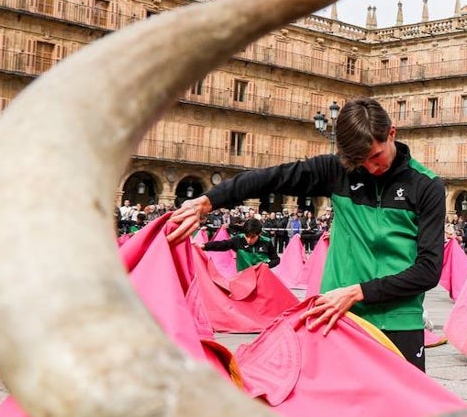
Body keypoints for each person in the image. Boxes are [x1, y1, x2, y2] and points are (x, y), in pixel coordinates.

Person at [169, 99, 445, 372]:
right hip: (338, 317)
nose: (372, 168)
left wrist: (358, 292)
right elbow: (270, 178)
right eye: (361, 162)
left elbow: (428, 270)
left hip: (399, 323)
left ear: (392, 133)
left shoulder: (426, 186)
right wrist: (206, 202)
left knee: (405, 415)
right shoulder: (339, 171)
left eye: (375, 156)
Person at [202, 218, 280, 272]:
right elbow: (223, 245)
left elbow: (276, 259)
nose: (249, 240)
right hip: (243, 277)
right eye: (247, 236)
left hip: (261, 277)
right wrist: (205, 246)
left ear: (259, 233)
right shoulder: (238, 239)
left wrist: (268, 265)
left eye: (252, 237)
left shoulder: (266, 241)